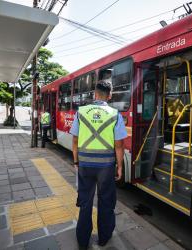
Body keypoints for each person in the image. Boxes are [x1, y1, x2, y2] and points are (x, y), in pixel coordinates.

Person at [70, 80, 127, 249]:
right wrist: (120, 167)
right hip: (106, 167)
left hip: (85, 165)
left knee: (85, 202)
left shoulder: (81, 112)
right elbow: (119, 145)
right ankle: (104, 237)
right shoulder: (115, 114)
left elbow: (75, 140)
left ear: (95, 94)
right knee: (106, 201)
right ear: (109, 95)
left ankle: (82, 240)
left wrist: (76, 161)